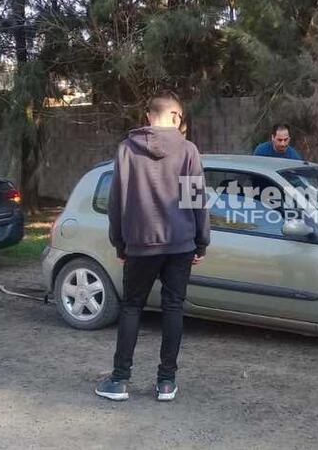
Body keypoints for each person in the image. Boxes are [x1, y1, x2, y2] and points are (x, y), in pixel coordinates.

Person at [96, 90, 210, 402]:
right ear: (176, 117)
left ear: (149, 116)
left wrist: (120, 243)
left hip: (140, 245)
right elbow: (197, 199)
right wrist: (201, 243)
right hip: (180, 245)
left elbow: (116, 202)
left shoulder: (126, 150)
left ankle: (119, 381)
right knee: (173, 308)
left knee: (132, 307)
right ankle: (166, 383)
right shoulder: (188, 151)